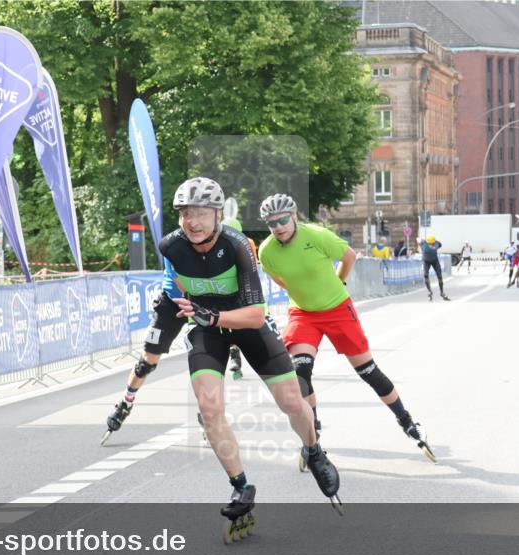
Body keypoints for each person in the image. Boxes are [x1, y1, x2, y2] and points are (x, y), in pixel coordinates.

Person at [159, 177, 343, 536]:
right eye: (184, 214)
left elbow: (256, 315)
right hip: (206, 327)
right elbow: (175, 285)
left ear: (217, 214)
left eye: (200, 213)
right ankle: (241, 485)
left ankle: (315, 450)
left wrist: (212, 314)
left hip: (247, 321)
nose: (191, 221)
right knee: (209, 408)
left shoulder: (238, 245)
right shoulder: (170, 246)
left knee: (292, 401)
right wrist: (184, 311)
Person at [257, 194, 436, 464]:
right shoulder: (267, 251)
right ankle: (312, 437)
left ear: (293, 217)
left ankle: (408, 422)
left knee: (369, 372)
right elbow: (278, 279)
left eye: (283, 220)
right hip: (304, 314)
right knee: (300, 372)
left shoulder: (317, 235)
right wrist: (299, 294)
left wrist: (339, 281)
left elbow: (349, 256)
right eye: (272, 224)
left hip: (337, 309)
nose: (279, 227)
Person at [101, 256, 191, 444]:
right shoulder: (174, 245)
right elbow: (183, 285)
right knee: (146, 363)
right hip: (171, 304)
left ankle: (208, 411)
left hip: (201, 305)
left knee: (204, 360)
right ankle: (126, 402)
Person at [221, 217, 257, 381]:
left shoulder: (247, 243)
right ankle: (235, 355)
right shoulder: (246, 241)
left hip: (238, 290)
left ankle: (236, 353)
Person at [420, 234, 449, 301]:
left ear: (434, 242)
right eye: (429, 243)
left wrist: (420, 242)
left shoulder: (434, 244)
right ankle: (429, 291)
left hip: (434, 261)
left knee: (439, 276)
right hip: (426, 261)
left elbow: (439, 244)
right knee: (425, 275)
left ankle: (441, 292)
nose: (430, 245)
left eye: (432, 243)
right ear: (427, 242)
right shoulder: (425, 243)